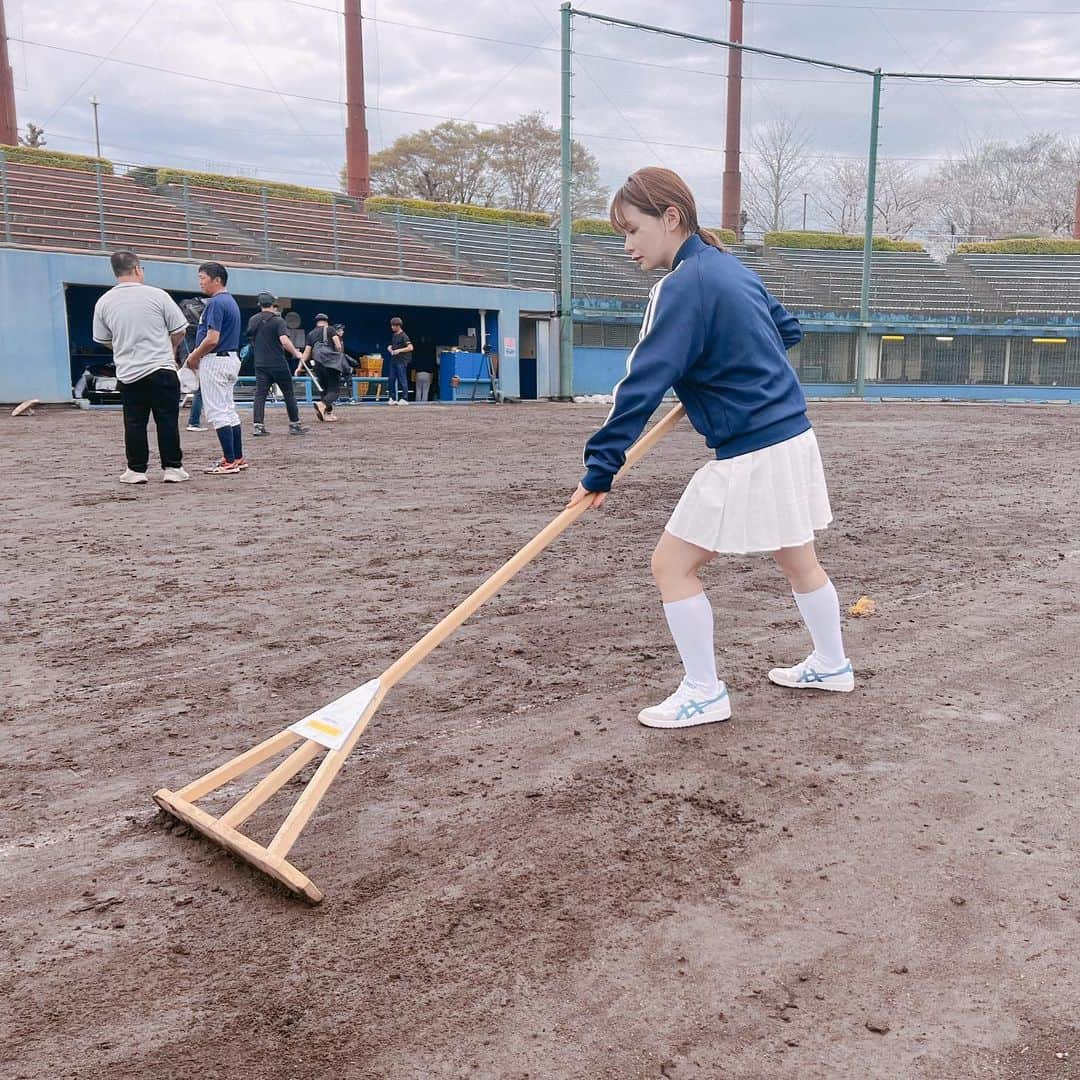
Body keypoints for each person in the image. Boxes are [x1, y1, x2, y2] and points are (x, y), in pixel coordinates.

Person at [566, 167, 853, 730]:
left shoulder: (680, 286)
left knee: (671, 565)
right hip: (793, 439)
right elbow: (787, 330)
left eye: (632, 230)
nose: (627, 245)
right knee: (798, 558)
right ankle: (832, 663)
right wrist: (716, 364)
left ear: (671, 218)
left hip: (751, 451)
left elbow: (641, 383)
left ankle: (704, 691)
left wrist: (601, 467)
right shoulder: (730, 269)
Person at [91, 250, 190, 484]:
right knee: (166, 420)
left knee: (134, 422)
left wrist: (122, 347)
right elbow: (180, 329)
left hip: (128, 371)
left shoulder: (104, 301)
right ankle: (173, 468)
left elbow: (102, 339)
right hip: (161, 368)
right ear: (137, 269)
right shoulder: (158, 295)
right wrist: (169, 348)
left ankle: (136, 470)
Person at [184, 262, 245, 474]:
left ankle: (229, 461)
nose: (200, 281)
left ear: (216, 279)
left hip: (216, 360)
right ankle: (237, 457)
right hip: (229, 358)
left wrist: (193, 356)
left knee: (218, 411)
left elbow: (212, 339)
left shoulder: (216, 302)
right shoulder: (230, 301)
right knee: (228, 410)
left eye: (203, 277)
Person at [246, 293, 308, 436]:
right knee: (288, 393)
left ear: (259, 305)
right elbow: (284, 340)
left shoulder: (253, 320)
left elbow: (250, 338)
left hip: (260, 363)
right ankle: (294, 424)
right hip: (277, 363)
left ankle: (258, 426)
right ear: (273, 305)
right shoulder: (278, 321)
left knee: (260, 395)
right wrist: (296, 353)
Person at [298, 312, 345, 422]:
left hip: (318, 364)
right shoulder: (330, 330)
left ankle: (327, 413)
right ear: (326, 321)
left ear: (317, 322)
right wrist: (338, 358)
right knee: (334, 390)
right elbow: (338, 345)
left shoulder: (311, 334)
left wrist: (299, 366)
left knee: (324, 390)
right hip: (331, 363)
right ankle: (322, 404)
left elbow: (306, 352)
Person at [386, 316, 413, 403]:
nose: (392, 327)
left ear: (398, 326)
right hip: (394, 360)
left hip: (402, 361)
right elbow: (391, 345)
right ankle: (392, 398)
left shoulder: (404, 336)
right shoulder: (394, 335)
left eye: (393, 325)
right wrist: (390, 348)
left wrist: (399, 350)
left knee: (402, 379)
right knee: (391, 378)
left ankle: (404, 398)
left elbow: (410, 347)